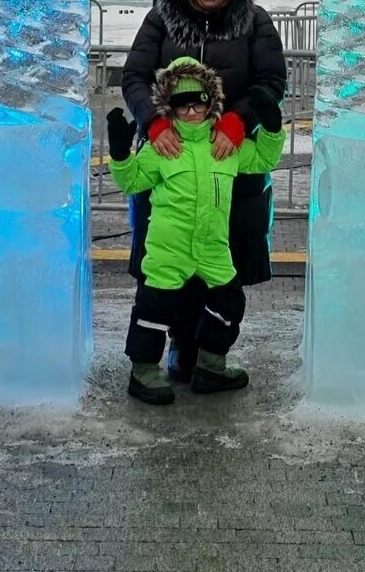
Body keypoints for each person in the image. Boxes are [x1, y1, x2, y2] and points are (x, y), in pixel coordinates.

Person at [121, 0, 287, 383]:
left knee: (223, 265)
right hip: (170, 160)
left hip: (228, 164)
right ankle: (176, 349)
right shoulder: (160, 19)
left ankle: (210, 353)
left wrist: (240, 118)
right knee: (167, 263)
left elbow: (272, 80)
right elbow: (134, 77)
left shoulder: (256, 22)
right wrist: (153, 124)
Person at [108, 57, 285, 405]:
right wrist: (120, 153)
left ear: (211, 102)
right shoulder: (163, 148)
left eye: (199, 101)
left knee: (230, 302)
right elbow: (131, 181)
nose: (191, 110)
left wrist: (272, 128)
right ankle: (143, 371)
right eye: (181, 103)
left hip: (212, 247)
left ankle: (211, 366)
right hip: (167, 248)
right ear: (168, 107)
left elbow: (264, 159)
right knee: (153, 308)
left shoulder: (225, 147)